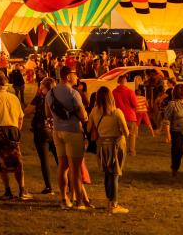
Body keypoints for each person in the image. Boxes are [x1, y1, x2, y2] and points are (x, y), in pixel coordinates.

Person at [46, 66, 90, 209]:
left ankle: (63, 198)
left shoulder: (50, 93)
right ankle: (78, 202)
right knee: (75, 169)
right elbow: (83, 116)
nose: (77, 77)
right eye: (75, 74)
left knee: (62, 166)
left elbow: (47, 114)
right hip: (73, 131)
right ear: (68, 76)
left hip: (57, 132)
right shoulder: (73, 93)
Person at [0, 74, 30, 200]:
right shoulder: (14, 98)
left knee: (2, 162)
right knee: (17, 161)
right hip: (13, 130)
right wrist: (17, 130)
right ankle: (22, 189)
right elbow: (21, 117)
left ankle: (8, 190)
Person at [86, 86, 129, 214]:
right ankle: (113, 204)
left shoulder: (94, 111)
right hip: (116, 145)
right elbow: (126, 132)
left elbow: (88, 129)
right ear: (111, 97)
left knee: (107, 173)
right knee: (115, 174)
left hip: (102, 145)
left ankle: (109, 201)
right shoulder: (117, 113)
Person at [27, 76, 57, 195]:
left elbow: (27, 110)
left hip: (41, 130)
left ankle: (49, 187)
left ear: (43, 86)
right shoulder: (56, 97)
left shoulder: (40, 97)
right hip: (55, 130)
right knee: (60, 160)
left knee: (44, 160)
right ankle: (70, 184)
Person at [161, 83, 183, 177]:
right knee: (178, 151)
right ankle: (175, 168)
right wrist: (168, 135)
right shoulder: (172, 104)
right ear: (179, 91)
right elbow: (166, 120)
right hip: (177, 132)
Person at [111, 74, 139, 156]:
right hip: (130, 116)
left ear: (118, 82)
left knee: (119, 135)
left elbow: (112, 104)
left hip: (118, 116)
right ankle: (132, 151)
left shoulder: (113, 92)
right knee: (132, 135)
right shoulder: (130, 92)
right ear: (125, 81)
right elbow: (135, 104)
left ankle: (119, 150)